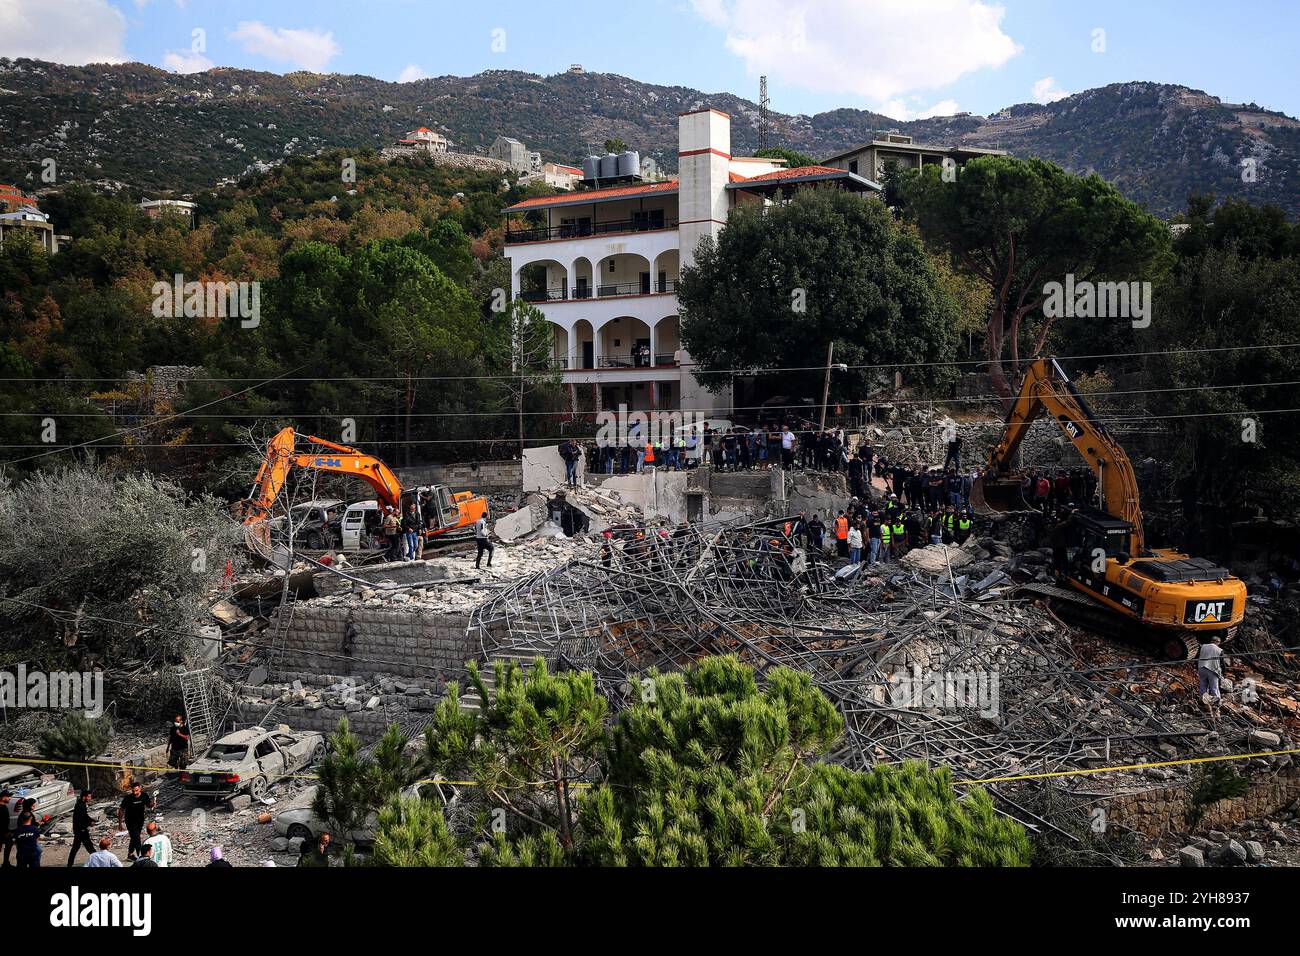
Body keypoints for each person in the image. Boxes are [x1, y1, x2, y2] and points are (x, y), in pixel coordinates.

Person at [117, 781, 155, 860]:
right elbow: (121, 809)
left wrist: (153, 804)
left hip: (140, 820)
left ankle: (130, 855)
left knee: (134, 838)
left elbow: (148, 805)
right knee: (137, 838)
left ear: (140, 789)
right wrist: (120, 823)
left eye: (136, 790)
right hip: (130, 820)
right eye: (133, 791)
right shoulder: (128, 798)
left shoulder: (144, 796)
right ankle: (141, 856)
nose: (135, 792)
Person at [67, 789, 96, 867]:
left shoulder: (82, 804)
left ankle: (69, 864)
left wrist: (92, 820)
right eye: (89, 797)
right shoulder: (80, 805)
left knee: (77, 848)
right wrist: (90, 823)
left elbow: (85, 816)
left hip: (79, 830)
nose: (90, 798)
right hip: (81, 830)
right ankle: (98, 861)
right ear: (84, 797)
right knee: (89, 847)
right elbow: (81, 819)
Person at [1197, 634, 1224, 708]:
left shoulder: (1203, 646)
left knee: (1203, 684)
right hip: (1213, 669)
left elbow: (1198, 656)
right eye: (1219, 643)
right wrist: (1224, 672)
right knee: (1214, 687)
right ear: (1217, 642)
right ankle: (1216, 703)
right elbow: (1222, 663)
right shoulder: (1219, 650)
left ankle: (1202, 700)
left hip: (1201, 667)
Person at [0, 790, 12, 867]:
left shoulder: (4, 806)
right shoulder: (1, 808)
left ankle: (6, 863)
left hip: (4, 831)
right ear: (2, 797)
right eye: (8, 797)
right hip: (1, 832)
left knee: (9, 843)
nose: (10, 798)